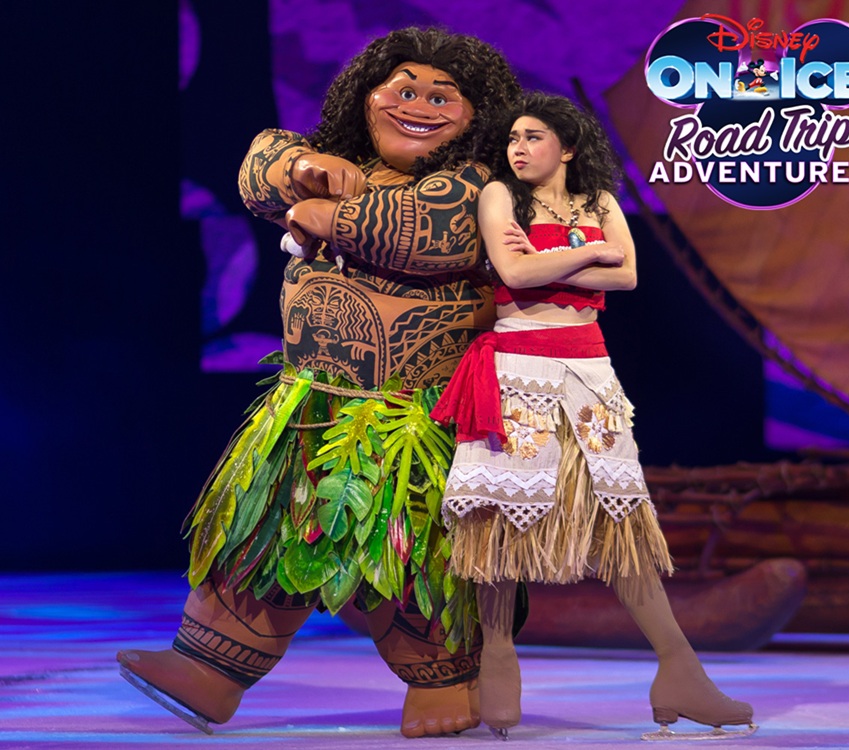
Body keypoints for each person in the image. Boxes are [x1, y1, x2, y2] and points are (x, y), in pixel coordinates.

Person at [117, 27, 521, 738]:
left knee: (411, 553)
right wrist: (304, 167)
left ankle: (447, 680)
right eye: (403, 89)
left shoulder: (474, 185)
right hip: (309, 405)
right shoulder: (342, 163)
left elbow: (430, 231)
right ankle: (209, 670)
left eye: (441, 98)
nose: (418, 105)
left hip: (412, 416)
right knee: (266, 539)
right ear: (365, 95)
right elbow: (260, 164)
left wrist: (326, 214)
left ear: (476, 117)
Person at [431, 92, 757, 741]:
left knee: (621, 518)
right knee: (499, 518)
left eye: (533, 137)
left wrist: (558, 261)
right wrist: (588, 254)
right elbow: (514, 270)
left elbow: (628, 276)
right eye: (513, 138)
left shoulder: (601, 201)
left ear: (569, 147)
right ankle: (498, 654)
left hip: (590, 375)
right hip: (519, 371)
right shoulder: (500, 196)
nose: (518, 148)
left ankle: (679, 668)